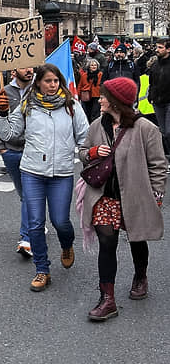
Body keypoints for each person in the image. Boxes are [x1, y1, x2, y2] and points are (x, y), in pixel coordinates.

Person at [78, 77, 165, 321]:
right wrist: (92, 153)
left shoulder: (146, 128)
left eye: (105, 95)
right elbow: (83, 151)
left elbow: (158, 166)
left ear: (116, 101)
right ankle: (107, 299)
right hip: (104, 195)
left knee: (136, 238)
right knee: (107, 242)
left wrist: (156, 197)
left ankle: (140, 275)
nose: (101, 99)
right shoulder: (97, 125)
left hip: (136, 195)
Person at [0, 64, 89, 292]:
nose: (52, 85)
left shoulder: (71, 106)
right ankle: (42, 269)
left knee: (60, 222)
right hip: (32, 171)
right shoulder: (28, 105)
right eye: (48, 81)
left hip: (61, 173)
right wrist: (2, 113)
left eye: (56, 81)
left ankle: (67, 245)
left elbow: (84, 137)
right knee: (36, 224)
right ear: (38, 83)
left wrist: (89, 156)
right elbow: (8, 133)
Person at [0, 67, 34, 257]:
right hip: (10, 150)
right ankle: (35, 221)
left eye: (31, 66)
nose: (29, 70)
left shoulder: (38, 89)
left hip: (32, 150)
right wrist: (1, 147)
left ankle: (26, 237)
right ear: (13, 70)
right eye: (24, 66)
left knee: (29, 194)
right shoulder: (4, 92)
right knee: (23, 194)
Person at [148, 38, 170, 159]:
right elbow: (152, 82)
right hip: (158, 102)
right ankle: (167, 156)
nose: (157, 50)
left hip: (169, 102)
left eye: (160, 47)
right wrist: (151, 95)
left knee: (168, 131)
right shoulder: (155, 65)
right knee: (162, 132)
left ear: (168, 49)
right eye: (157, 47)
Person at [78, 58, 103, 122]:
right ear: (89, 66)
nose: (94, 66)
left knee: (95, 113)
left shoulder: (100, 74)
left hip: (96, 96)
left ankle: (94, 127)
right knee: (87, 113)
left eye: (95, 65)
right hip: (86, 96)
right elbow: (80, 85)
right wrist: (78, 95)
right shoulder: (84, 75)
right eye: (92, 65)